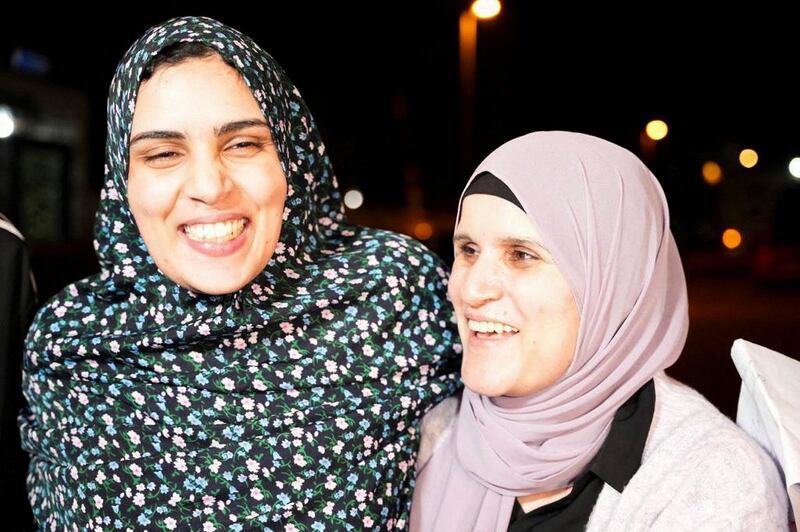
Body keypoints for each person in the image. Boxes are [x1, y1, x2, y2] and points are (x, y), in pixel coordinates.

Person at [20, 16, 460, 530]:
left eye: (243, 144)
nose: (209, 184)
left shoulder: (395, 293)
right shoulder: (69, 341)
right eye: (163, 154)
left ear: (292, 160)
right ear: (123, 183)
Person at [411, 131, 788, 531]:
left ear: (614, 285)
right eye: (468, 250)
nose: (470, 289)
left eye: (521, 255)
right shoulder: (432, 429)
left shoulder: (711, 483)